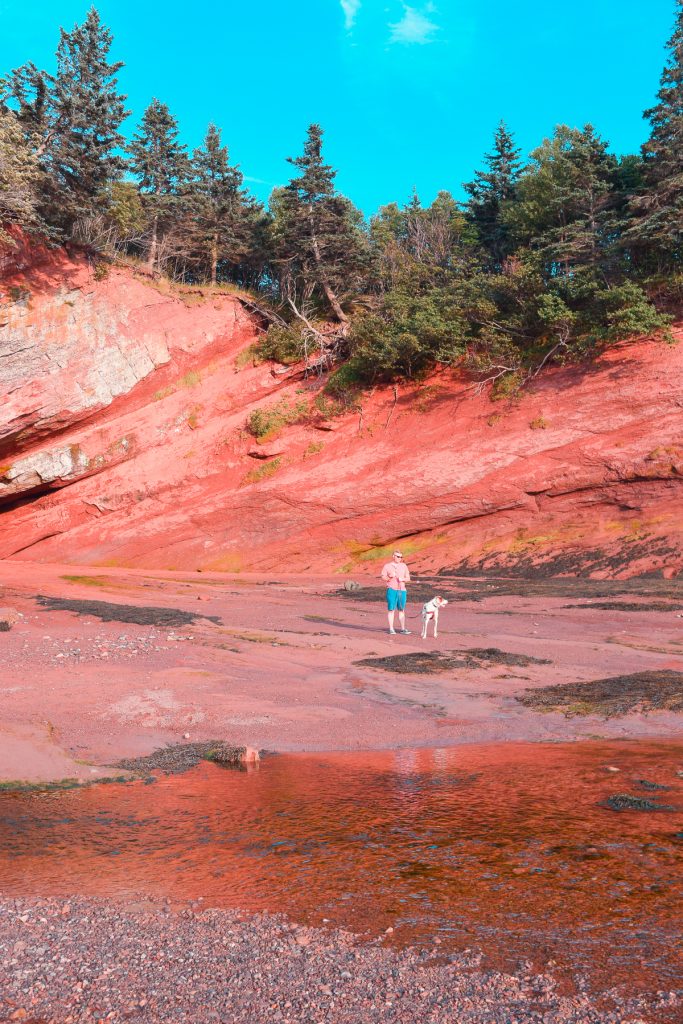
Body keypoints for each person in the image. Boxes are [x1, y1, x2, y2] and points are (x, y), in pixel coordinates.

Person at [381, 550, 411, 635]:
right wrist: (389, 577)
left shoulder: (404, 566)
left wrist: (403, 579)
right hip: (392, 589)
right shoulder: (387, 566)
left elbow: (408, 577)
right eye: (398, 556)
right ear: (393, 556)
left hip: (402, 590)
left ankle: (403, 629)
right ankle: (391, 629)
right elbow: (383, 576)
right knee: (391, 609)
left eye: (401, 557)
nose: (399, 558)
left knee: (401, 609)